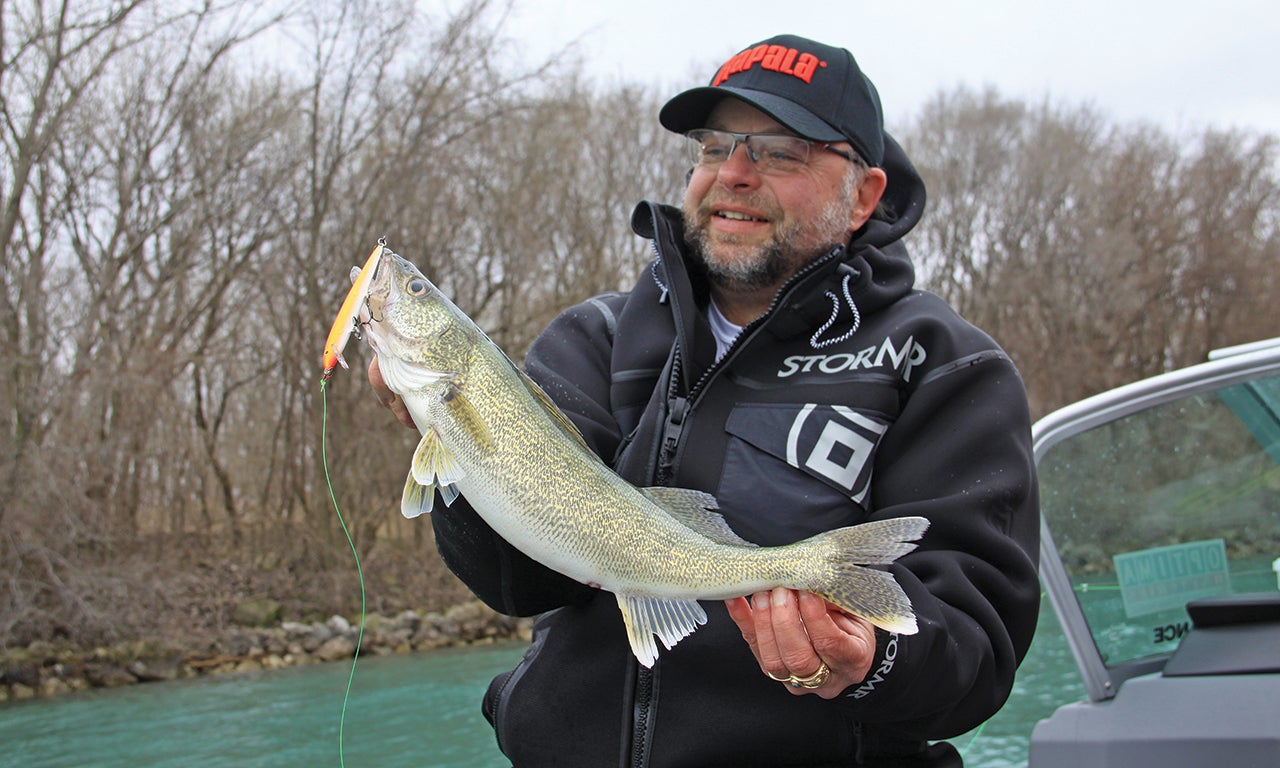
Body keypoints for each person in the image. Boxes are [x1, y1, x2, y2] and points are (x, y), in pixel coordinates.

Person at [370, 34, 1039, 768]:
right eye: (714, 146)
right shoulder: (593, 336)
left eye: (780, 151)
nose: (736, 174)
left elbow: (977, 654)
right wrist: (455, 444)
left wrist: (870, 661)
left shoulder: (945, 365)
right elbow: (518, 581)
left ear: (864, 195)